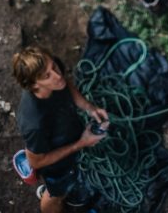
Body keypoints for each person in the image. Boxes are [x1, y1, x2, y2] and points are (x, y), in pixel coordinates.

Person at [13, 45, 108, 212]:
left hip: (68, 134)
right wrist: (80, 144)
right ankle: (49, 195)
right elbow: (36, 160)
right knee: (56, 194)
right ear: (35, 85)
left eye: (54, 67)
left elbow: (66, 84)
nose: (57, 76)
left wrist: (89, 108)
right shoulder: (35, 123)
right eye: (47, 76)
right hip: (54, 162)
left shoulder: (56, 79)